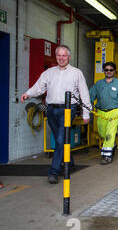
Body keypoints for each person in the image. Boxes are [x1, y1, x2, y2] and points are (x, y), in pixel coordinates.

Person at [21, 45, 91, 184]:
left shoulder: (77, 73)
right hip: (51, 109)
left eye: (64, 55)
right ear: (56, 56)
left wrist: (86, 113)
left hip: (68, 109)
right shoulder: (49, 72)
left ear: (69, 57)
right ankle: (69, 162)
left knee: (59, 139)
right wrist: (28, 94)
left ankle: (54, 172)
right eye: (59, 55)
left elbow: (84, 93)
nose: (61, 58)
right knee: (60, 139)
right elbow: (39, 86)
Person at [89, 62, 118, 164]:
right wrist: (87, 106)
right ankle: (112, 144)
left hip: (115, 111)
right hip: (101, 112)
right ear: (104, 71)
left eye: (111, 70)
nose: (108, 71)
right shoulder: (98, 84)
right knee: (102, 132)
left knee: (110, 133)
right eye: (106, 70)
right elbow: (90, 96)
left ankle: (106, 156)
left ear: (115, 71)